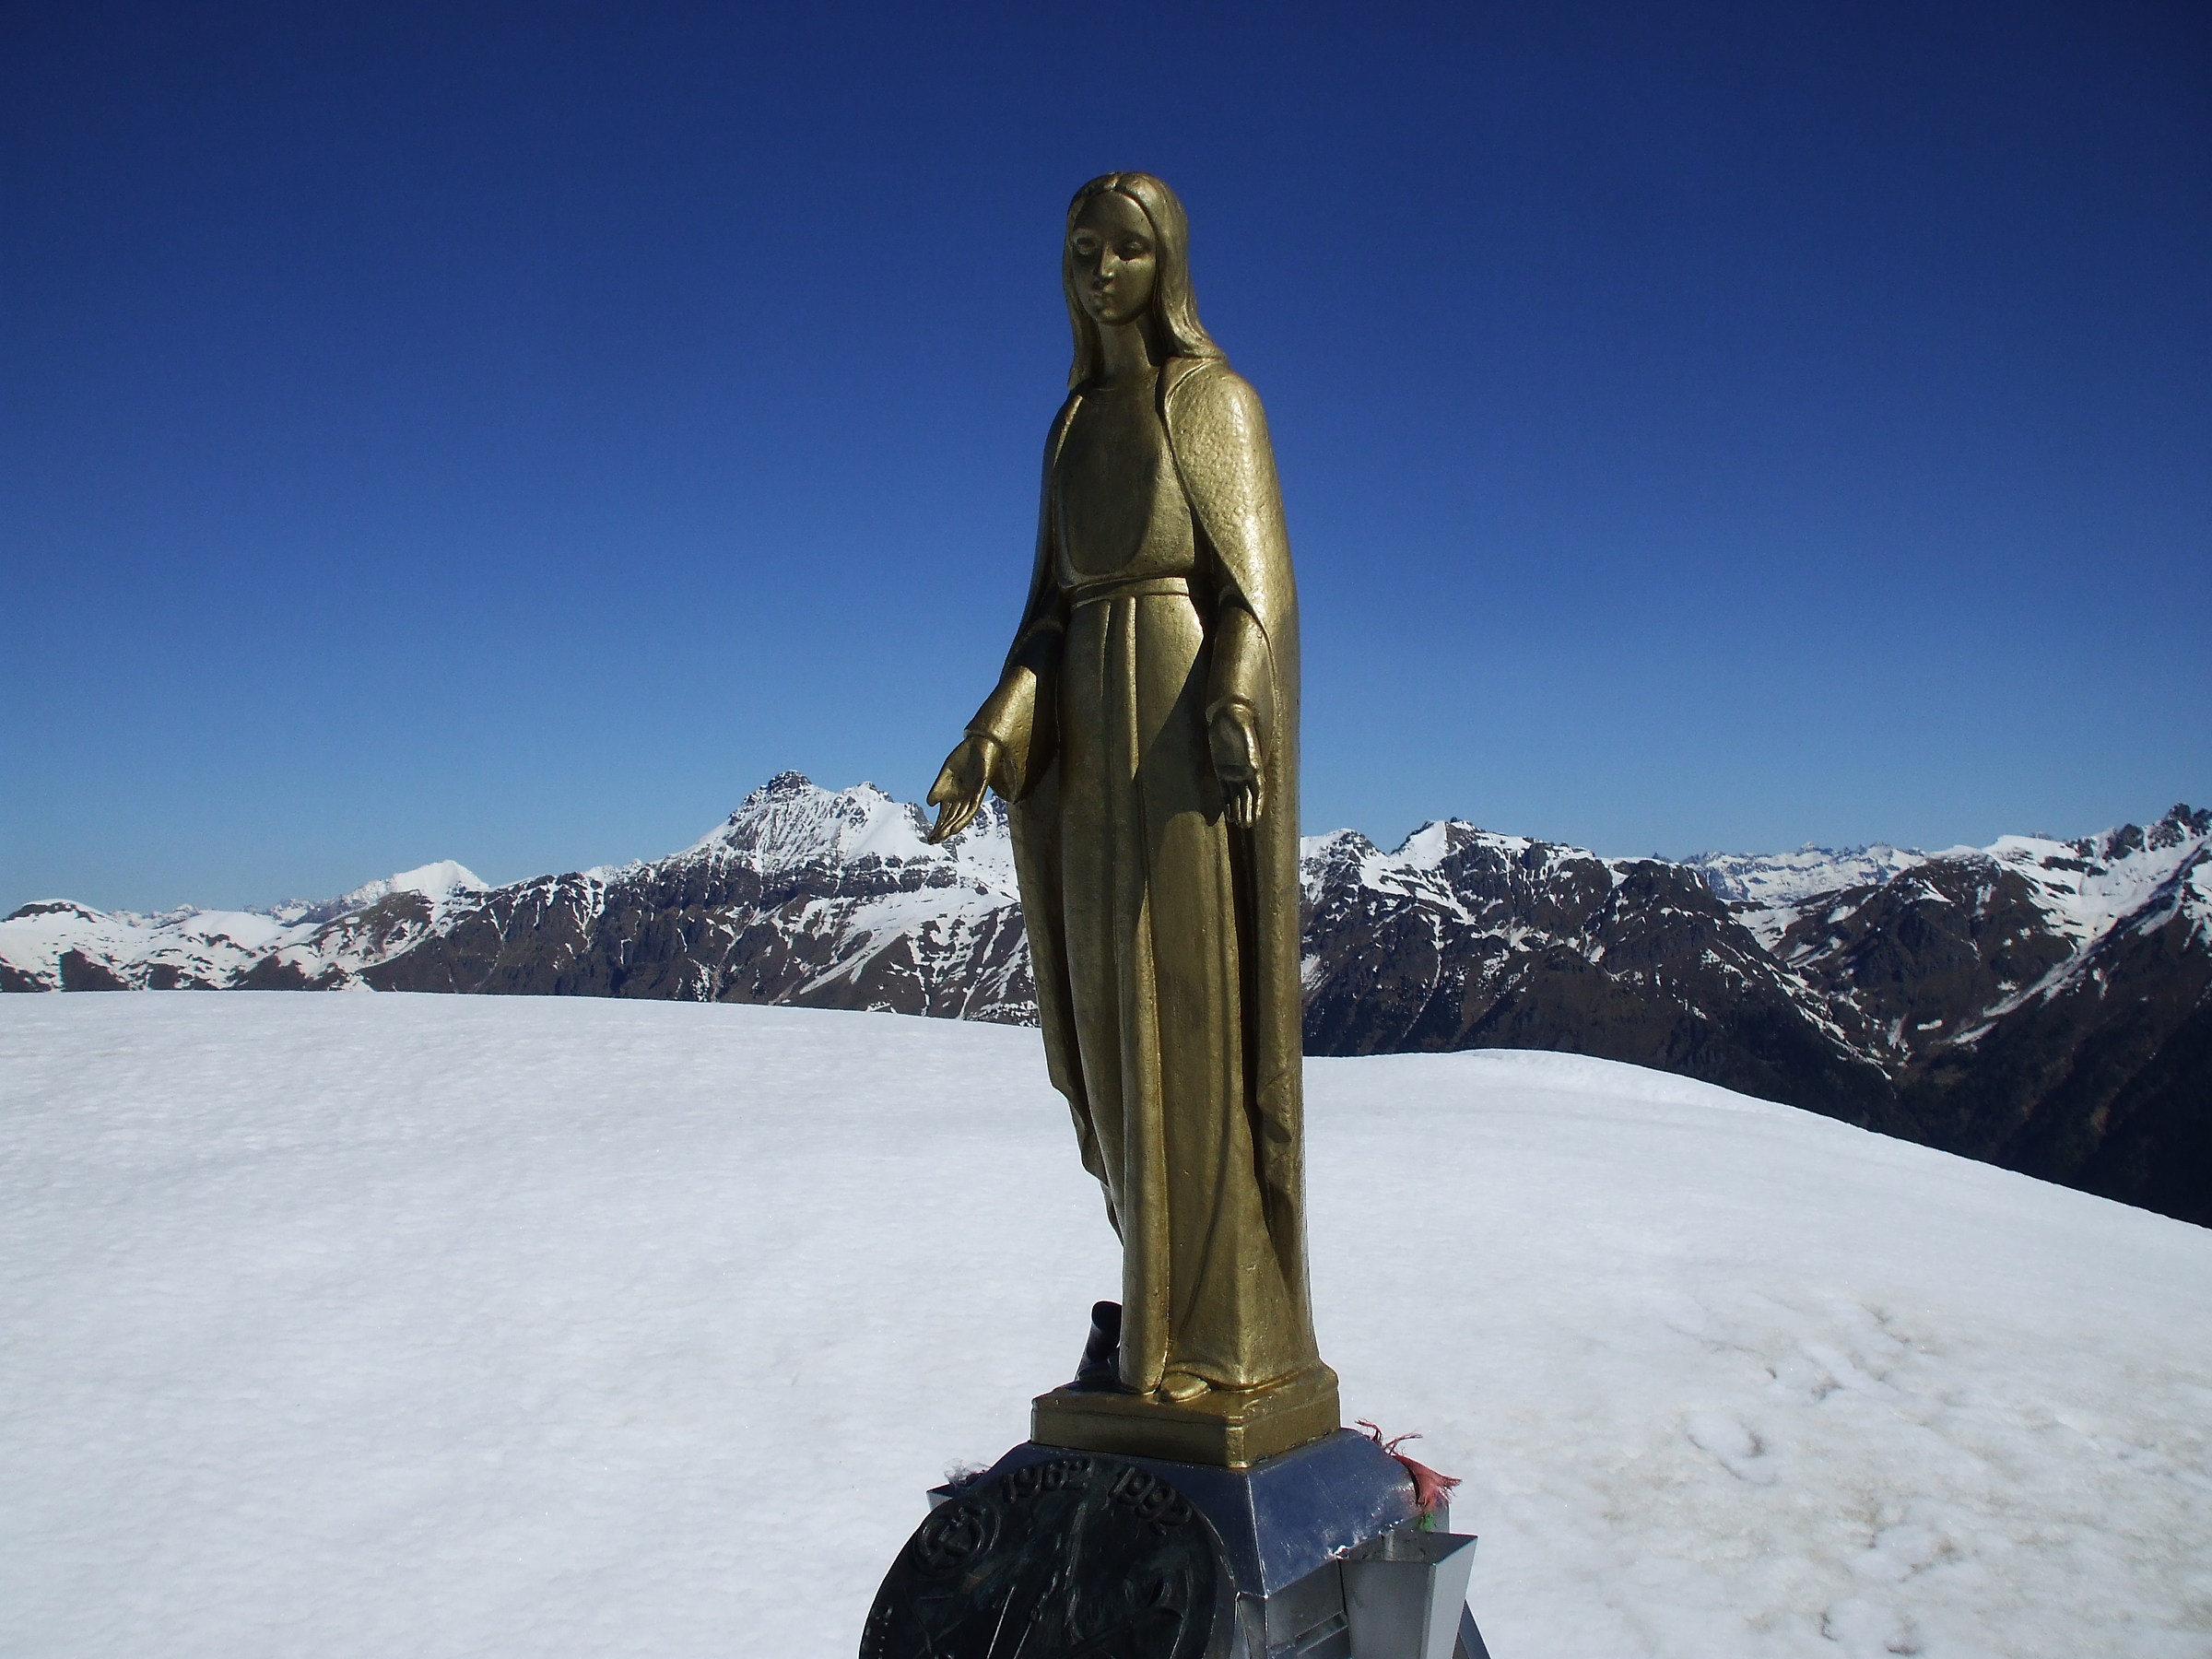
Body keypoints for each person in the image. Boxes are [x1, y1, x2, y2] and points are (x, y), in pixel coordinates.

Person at [925, 173, 1329, 1412]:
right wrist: (1002, 720)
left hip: (1178, 735)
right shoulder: (1068, 428)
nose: (1103, 273)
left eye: (1128, 251)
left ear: (1170, 267)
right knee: (1108, 1035)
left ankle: (1220, 1336)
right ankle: (1149, 1305)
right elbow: (1049, 610)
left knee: (1193, 1030)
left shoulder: (1209, 402)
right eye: (1082, 250)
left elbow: (1258, 589)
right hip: (1090, 748)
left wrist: (1231, 699)